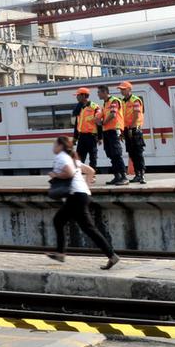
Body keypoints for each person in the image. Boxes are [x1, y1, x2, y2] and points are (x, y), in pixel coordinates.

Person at [46, 136, 119, 270]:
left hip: (76, 197)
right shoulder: (73, 159)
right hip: (80, 195)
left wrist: (55, 176)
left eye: (55, 144)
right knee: (65, 222)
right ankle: (61, 253)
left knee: (84, 227)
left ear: (61, 146)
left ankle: (111, 255)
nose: (53, 147)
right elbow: (91, 171)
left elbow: (69, 172)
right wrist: (85, 187)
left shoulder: (62, 157)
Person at [96, 85, 128, 185]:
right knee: (110, 154)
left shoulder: (114, 101)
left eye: (99, 92)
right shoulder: (105, 103)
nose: (98, 94)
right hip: (107, 132)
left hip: (114, 130)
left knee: (116, 154)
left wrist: (103, 122)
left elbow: (113, 114)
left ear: (104, 92)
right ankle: (117, 176)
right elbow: (100, 116)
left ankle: (124, 177)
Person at [119, 81, 147, 184]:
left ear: (129, 89)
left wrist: (131, 128)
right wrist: (122, 131)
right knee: (131, 152)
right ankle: (137, 174)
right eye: (121, 89)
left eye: (123, 89)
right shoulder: (122, 102)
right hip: (127, 130)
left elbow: (136, 115)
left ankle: (142, 174)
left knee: (138, 152)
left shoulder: (136, 100)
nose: (121, 91)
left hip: (135, 130)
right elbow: (121, 117)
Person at [71, 87, 100, 172]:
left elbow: (99, 123)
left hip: (92, 136)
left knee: (93, 156)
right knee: (79, 156)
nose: (77, 97)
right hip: (82, 136)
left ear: (84, 96)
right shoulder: (78, 108)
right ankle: (78, 173)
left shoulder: (94, 107)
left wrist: (100, 137)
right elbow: (77, 124)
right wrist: (75, 138)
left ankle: (92, 173)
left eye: (78, 95)